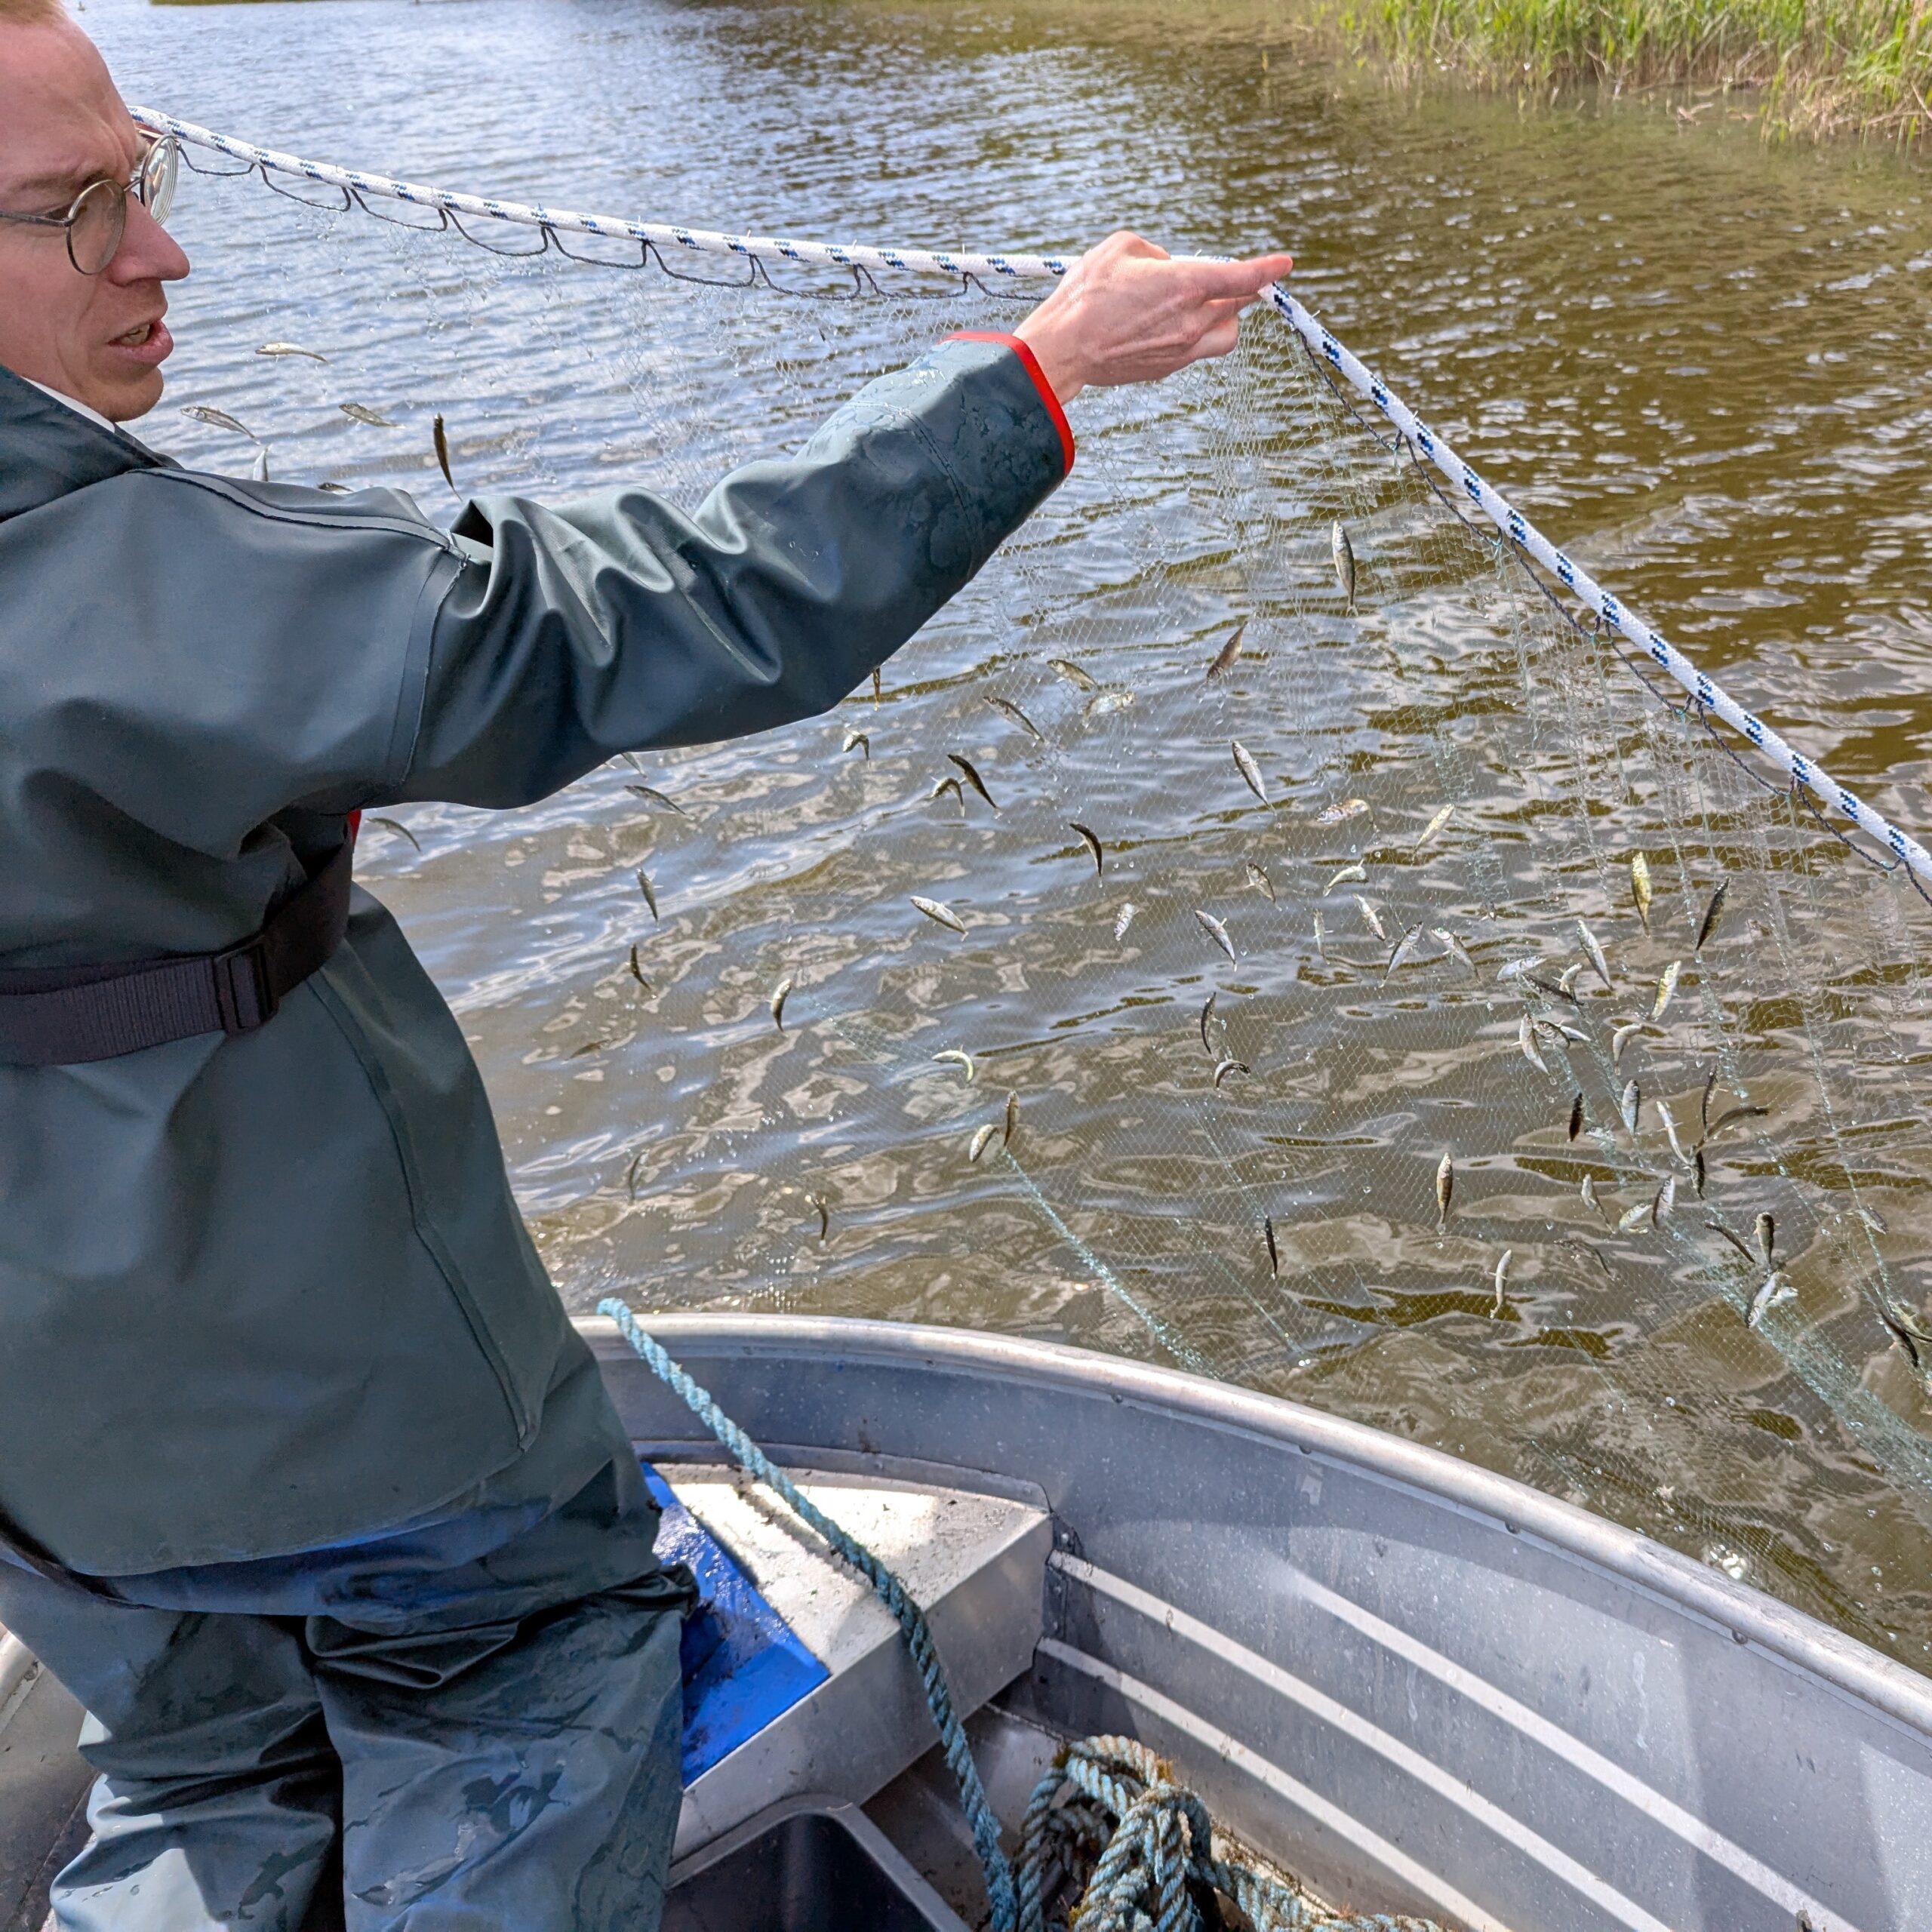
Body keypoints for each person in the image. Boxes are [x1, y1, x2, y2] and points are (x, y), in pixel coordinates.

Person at [0, 3, 1295, 1925]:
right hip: (348, 1437)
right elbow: (648, 608)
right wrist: (1038, 370)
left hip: (52, 1489)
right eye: (78, 205)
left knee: (202, 1770)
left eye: (149, 174)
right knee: (524, 1686)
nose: (161, 249)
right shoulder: (136, 589)